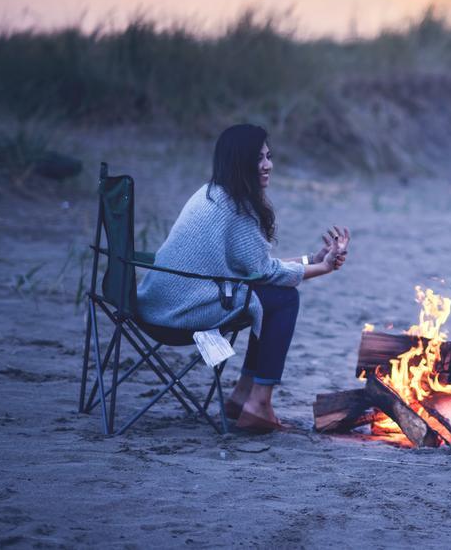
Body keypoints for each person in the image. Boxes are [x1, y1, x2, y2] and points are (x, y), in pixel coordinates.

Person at [136, 123, 351, 433]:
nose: (268, 165)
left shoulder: (212, 193)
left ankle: (242, 397)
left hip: (159, 303)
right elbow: (266, 273)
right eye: (259, 158)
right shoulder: (236, 208)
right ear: (240, 162)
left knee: (266, 295)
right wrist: (326, 268)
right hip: (180, 313)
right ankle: (258, 403)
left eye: (269, 156)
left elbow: (255, 268)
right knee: (284, 299)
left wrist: (312, 261)